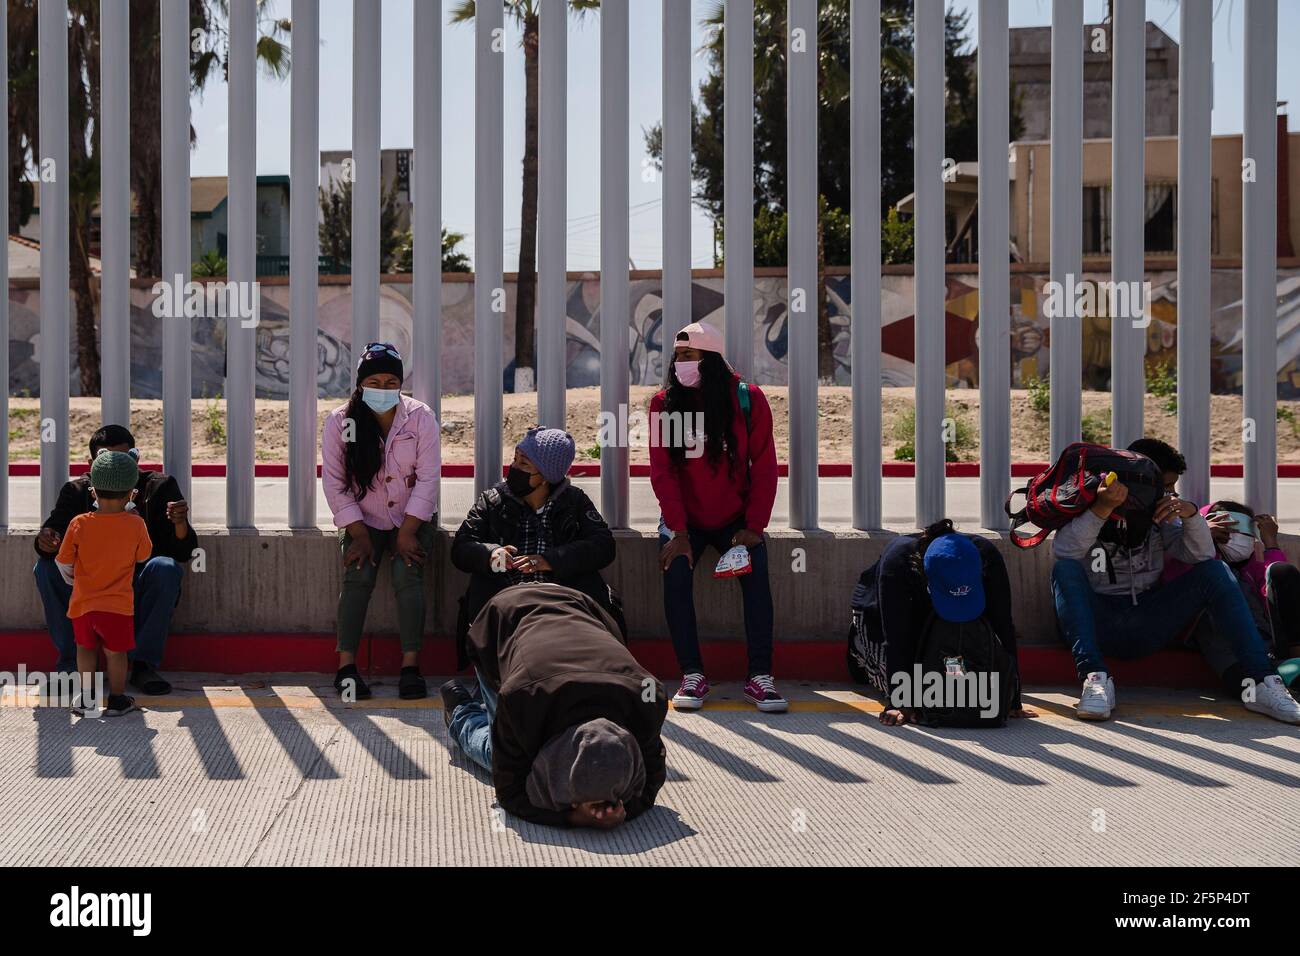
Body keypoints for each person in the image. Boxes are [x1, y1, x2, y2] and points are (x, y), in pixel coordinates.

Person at [1051, 437, 1300, 723]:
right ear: (1139, 480)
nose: (1169, 493)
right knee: (1065, 571)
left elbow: (1201, 555)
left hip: (1148, 621)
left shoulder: (1159, 518)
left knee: (1215, 572)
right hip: (1097, 621)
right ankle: (1095, 680)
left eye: (1171, 487)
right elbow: (1065, 551)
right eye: (1164, 486)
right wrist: (1102, 509)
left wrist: (1191, 515)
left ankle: (1263, 682)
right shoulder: (1093, 506)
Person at [443, 583, 667, 829]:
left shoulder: (648, 698)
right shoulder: (522, 699)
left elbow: (650, 787)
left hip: (580, 603)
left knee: (512, 747)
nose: (604, 808)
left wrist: (625, 809)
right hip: (500, 616)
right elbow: (509, 792)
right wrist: (571, 818)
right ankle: (461, 713)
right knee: (497, 755)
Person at [649, 321, 783, 713]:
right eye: (677, 357)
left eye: (689, 357)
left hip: (735, 519)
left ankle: (760, 677)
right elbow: (662, 470)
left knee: (756, 576)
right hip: (684, 522)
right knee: (675, 575)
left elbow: (765, 466)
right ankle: (692, 674)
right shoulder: (665, 402)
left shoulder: (748, 399)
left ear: (709, 360)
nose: (680, 365)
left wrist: (753, 527)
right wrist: (678, 531)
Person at [33, 424, 194, 696]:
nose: (116, 470)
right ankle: (71, 667)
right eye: (107, 460)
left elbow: (181, 553)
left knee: (165, 568)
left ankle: (142, 665)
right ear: (91, 464)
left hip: (132, 584)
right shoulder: (77, 491)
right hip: (88, 586)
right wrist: (45, 540)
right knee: (45, 568)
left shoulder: (159, 486)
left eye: (124, 460)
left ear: (136, 460)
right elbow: (52, 543)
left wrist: (179, 523)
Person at [321, 342, 440, 701]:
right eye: (374, 381)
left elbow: (429, 478)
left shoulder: (421, 417)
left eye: (392, 382)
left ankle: (410, 667)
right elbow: (335, 483)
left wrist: (407, 532)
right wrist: (357, 533)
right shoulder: (340, 422)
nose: (383, 390)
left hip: (412, 517)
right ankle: (346, 668)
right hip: (363, 518)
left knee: (408, 573)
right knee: (358, 575)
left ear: (401, 384)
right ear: (360, 384)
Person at [449, 426, 620, 676]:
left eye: (524, 464)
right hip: (508, 608)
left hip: (562, 608)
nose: (514, 469)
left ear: (547, 476)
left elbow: (603, 546)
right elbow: (462, 547)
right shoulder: (492, 501)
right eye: (515, 460)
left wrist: (550, 561)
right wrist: (491, 555)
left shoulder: (574, 502)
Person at [847, 519, 1036, 726]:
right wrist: (899, 702)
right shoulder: (899, 561)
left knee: (960, 690)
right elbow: (896, 638)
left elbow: (1003, 626)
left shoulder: (986, 556)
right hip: (883, 619)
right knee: (920, 696)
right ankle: (859, 648)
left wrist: (1012, 699)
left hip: (949, 627)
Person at [55, 451, 154, 717]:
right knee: (115, 653)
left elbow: (63, 561)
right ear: (132, 494)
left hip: (83, 604)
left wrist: (75, 582)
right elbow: (144, 556)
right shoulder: (136, 524)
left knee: (85, 649)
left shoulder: (79, 524)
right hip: (118, 606)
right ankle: (118, 699)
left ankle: (87, 699)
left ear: (93, 491)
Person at [1164, 501, 1300, 687]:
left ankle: (1293, 663)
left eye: (1245, 534)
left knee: (1283, 571)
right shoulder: (1194, 565)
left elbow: (1274, 589)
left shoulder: (1251, 571)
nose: (1238, 539)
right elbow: (1176, 582)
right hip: (1227, 650)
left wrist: (1271, 545)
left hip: (1268, 644)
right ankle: (1266, 680)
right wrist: (1202, 537)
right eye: (1227, 532)